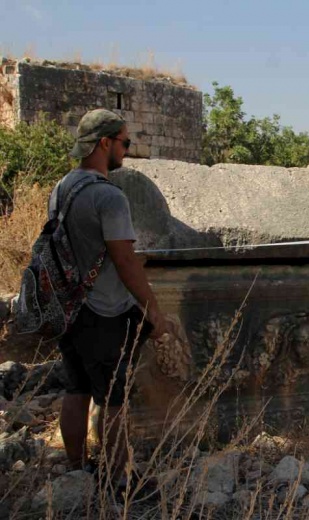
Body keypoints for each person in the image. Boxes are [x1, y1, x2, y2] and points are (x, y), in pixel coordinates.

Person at [53, 109, 171, 483]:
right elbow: (125, 260)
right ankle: (119, 478)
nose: (126, 150)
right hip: (104, 311)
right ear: (105, 143)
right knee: (114, 400)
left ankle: (76, 470)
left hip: (68, 307)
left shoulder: (62, 187)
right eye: (124, 142)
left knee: (77, 389)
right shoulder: (110, 197)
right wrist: (154, 311)